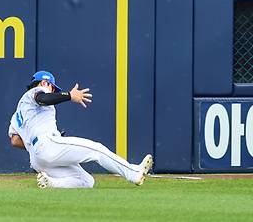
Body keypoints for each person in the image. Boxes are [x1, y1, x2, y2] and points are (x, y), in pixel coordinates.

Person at [8, 70, 153, 189]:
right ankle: (133, 173)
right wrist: (70, 95)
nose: (52, 89)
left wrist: (35, 146)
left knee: (86, 181)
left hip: (37, 159)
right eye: (52, 87)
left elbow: (15, 141)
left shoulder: (17, 114)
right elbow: (43, 98)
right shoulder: (36, 92)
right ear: (45, 83)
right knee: (97, 149)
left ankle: (51, 183)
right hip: (47, 144)